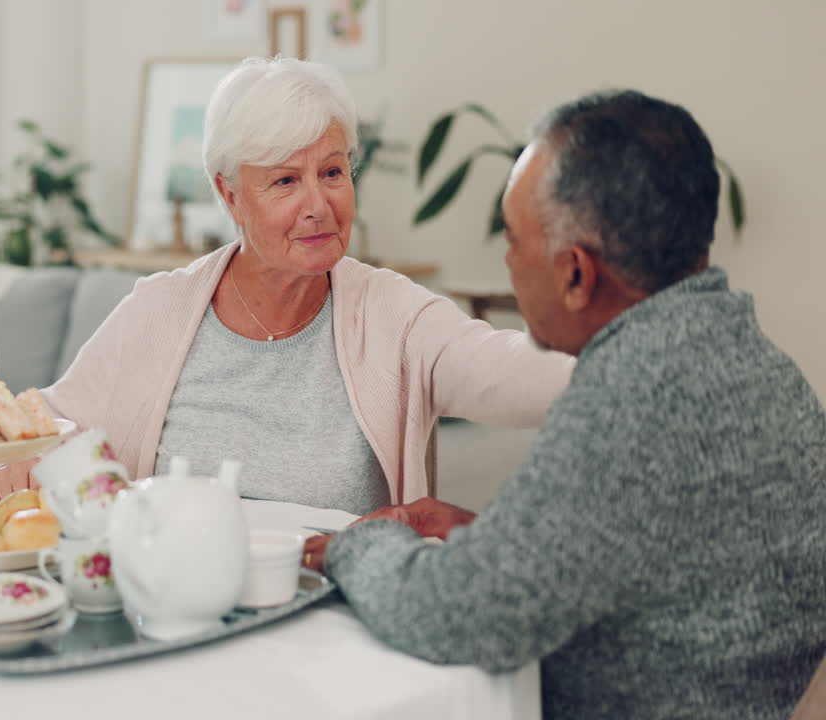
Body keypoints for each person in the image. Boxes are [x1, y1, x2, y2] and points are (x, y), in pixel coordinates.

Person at [306, 89, 826, 718]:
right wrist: (497, 541)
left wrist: (355, 547)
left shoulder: (633, 396)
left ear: (576, 274)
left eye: (514, 240)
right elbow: (664, 556)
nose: (507, 260)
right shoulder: (761, 368)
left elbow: (459, 616)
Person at [0, 56, 572, 514]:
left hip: (337, 624)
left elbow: (515, 374)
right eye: (286, 181)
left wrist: (643, 338)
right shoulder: (158, 310)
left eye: (333, 172)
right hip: (180, 611)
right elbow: (44, 423)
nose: (318, 206)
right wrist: (27, 455)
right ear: (229, 194)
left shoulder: (395, 314)